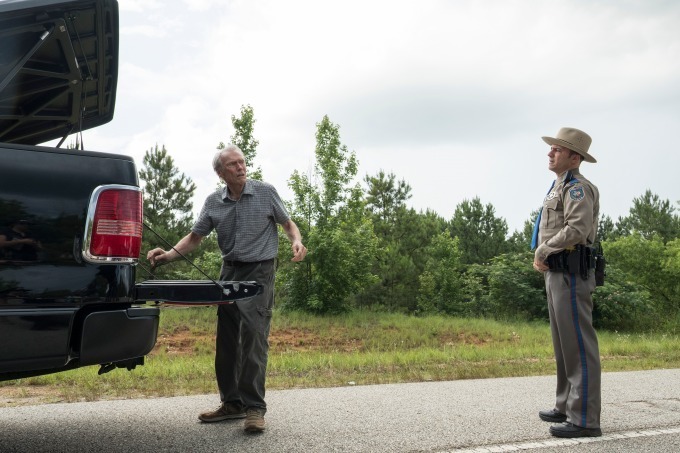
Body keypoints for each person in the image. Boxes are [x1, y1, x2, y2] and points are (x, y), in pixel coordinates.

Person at [146, 144, 307, 433]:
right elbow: (195, 238)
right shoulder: (213, 202)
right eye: (233, 164)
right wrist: (168, 256)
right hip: (229, 270)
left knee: (254, 338)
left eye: (242, 162)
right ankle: (232, 403)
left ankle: (255, 408)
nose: (241, 167)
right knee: (228, 339)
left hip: (260, 271)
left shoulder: (265, 192)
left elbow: (288, 223)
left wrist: (296, 240)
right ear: (221, 173)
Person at [531, 127, 602, 438]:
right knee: (563, 346)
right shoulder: (558, 186)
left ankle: (585, 419)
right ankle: (566, 405)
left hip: (572, 274)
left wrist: (544, 249)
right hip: (556, 273)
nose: (550, 153)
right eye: (552, 148)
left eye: (557, 150)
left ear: (575, 158)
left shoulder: (578, 189)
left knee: (579, 347)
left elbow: (576, 228)